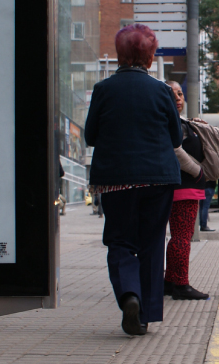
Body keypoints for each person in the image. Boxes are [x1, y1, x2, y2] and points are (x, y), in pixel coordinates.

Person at [84, 24, 183, 336]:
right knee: (152, 243)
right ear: (150, 57)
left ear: (119, 55)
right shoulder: (161, 92)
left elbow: (90, 137)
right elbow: (175, 137)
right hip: (158, 178)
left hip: (116, 179)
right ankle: (145, 314)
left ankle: (129, 295)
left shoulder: (103, 90)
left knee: (120, 241)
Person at [163, 80, 209, 300]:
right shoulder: (173, 124)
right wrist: (198, 171)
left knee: (178, 237)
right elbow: (176, 151)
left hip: (181, 187)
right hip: (183, 187)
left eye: (180, 93)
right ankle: (181, 284)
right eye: (173, 94)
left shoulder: (180, 122)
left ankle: (171, 281)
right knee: (182, 236)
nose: (178, 98)